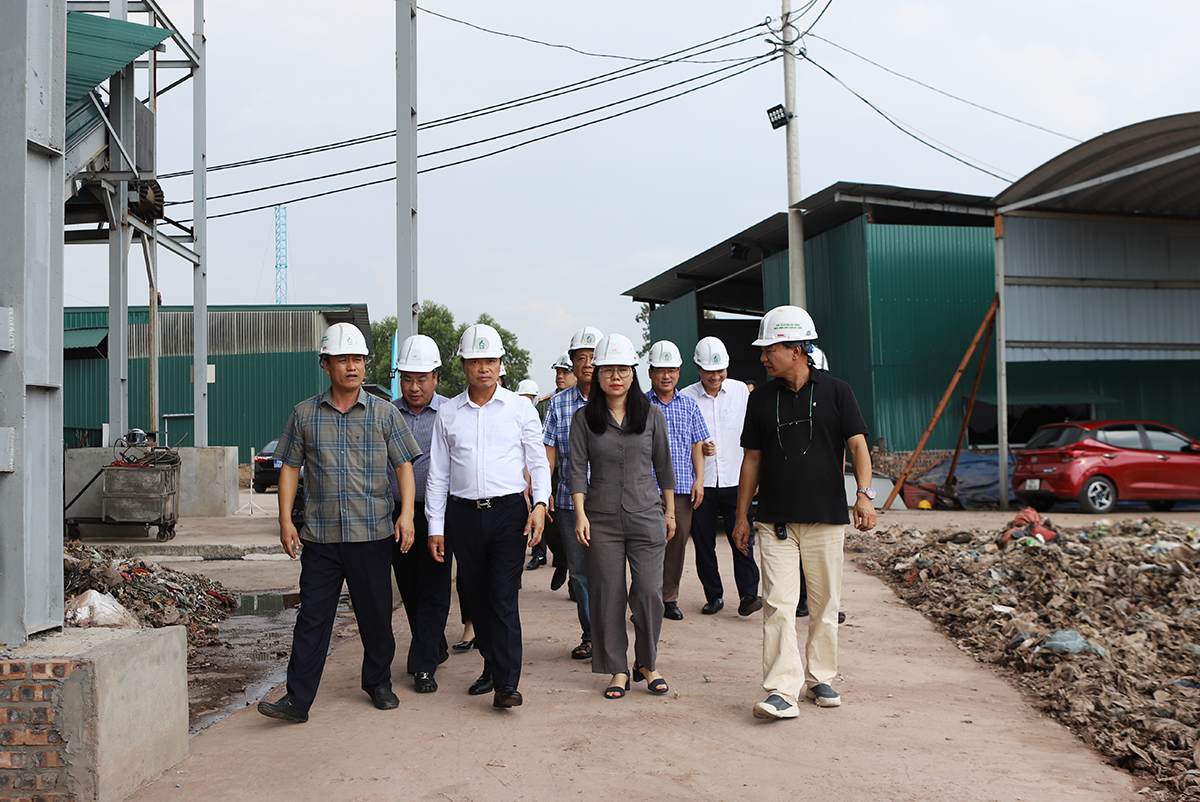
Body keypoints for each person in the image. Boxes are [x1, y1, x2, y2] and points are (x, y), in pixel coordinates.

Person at [259, 323, 421, 723]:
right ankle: (297, 700)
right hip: (322, 537)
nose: (352, 367)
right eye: (344, 360)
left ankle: (378, 682)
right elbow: (290, 469)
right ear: (325, 365)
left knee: (375, 616)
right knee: (312, 618)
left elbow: (403, 466)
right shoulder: (304, 415)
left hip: (372, 535)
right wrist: (284, 520)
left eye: (358, 360)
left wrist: (407, 514)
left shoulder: (384, 413)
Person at [731, 306, 876, 719]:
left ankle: (821, 676)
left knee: (825, 603)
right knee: (777, 604)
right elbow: (752, 460)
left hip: (826, 519)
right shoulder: (760, 400)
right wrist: (742, 517)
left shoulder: (837, 392)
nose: (762, 357)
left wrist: (864, 495)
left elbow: (859, 447)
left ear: (796, 349)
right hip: (775, 520)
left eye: (769, 349)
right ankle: (781, 689)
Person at [425, 323, 550, 710]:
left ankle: (507, 683)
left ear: (501, 364)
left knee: (502, 598)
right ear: (463, 365)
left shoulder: (520, 408)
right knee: (476, 600)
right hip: (463, 515)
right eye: (476, 361)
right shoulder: (448, 413)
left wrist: (541, 506)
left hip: (508, 513)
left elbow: (538, 462)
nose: (484, 368)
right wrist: (435, 527)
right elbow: (438, 474)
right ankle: (492, 668)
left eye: (491, 360)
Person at [569, 334, 675, 699]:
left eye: (623, 370)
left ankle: (647, 662)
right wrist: (580, 515)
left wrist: (670, 512)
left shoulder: (651, 415)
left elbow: (664, 465)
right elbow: (576, 470)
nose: (616, 376)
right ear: (596, 375)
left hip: (647, 514)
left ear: (633, 374)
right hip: (602, 520)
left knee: (648, 593)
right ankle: (617, 668)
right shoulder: (584, 419)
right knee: (608, 593)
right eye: (608, 370)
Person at [681, 336, 762, 617]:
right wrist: (699, 446)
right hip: (701, 483)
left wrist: (757, 479)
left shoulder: (741, 392)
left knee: (742, 538)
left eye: (720, 371)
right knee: (704, 543)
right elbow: (680, 439)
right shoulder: (686, 397)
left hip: (737, 479)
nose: (715, 376)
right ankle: (714, 596)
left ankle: (749, 594)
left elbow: (755, 435)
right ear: (697, 368)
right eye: (709, 371)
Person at [389, 334, 452, 694]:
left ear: (436, 377)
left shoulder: (450, 412)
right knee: (409, 587)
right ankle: (433, 642)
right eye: (407, 379)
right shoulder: (387, 413)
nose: (414, 387)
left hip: (438, 512)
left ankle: (423, 663)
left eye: (422, 379)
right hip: (399, 513)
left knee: (435, 586)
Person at [543, 326, 604, 660]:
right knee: (580, 573)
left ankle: (610, 634)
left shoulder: (614, 397)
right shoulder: (559, 404)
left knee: (608, 572)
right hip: (569, 500)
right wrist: (545, 490)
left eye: (593, 357)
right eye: (581, 358)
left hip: (609, 502)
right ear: (572, 363)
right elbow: (549, 449)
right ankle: (590, 635)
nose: (588, 364)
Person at [646, 340, 709, 620]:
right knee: (647, 545)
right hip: (647, 488)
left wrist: (700, 479)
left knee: (677, 544)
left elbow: (698, 443)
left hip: (682, 487)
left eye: (671, 370)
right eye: (660, 370)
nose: (666, 376)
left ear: (680, 372)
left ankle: (669, 597)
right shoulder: (640, 405)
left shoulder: (690, 405)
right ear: (650, 373)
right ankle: (645, 600)